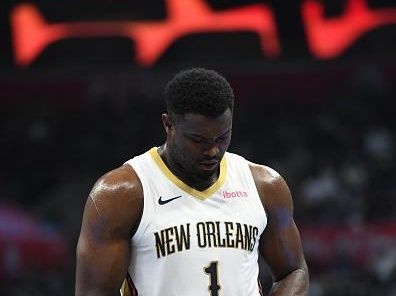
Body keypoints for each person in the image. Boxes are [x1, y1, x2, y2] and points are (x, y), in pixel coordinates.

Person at [75, 68, 309, 296]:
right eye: (198, 140)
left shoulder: (265, 186)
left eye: (222, 137)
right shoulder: (121, 194)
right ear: (169, 125)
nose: (212, 150)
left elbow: (294, 271)